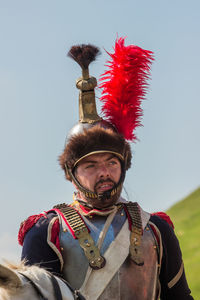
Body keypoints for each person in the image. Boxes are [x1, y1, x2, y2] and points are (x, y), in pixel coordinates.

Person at [18, 38, 193, 300]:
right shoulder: (46, 231)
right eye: (90, 165)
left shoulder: (156, 229)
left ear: (124, 166)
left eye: (111, 162)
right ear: (71, 174)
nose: (104, 172)